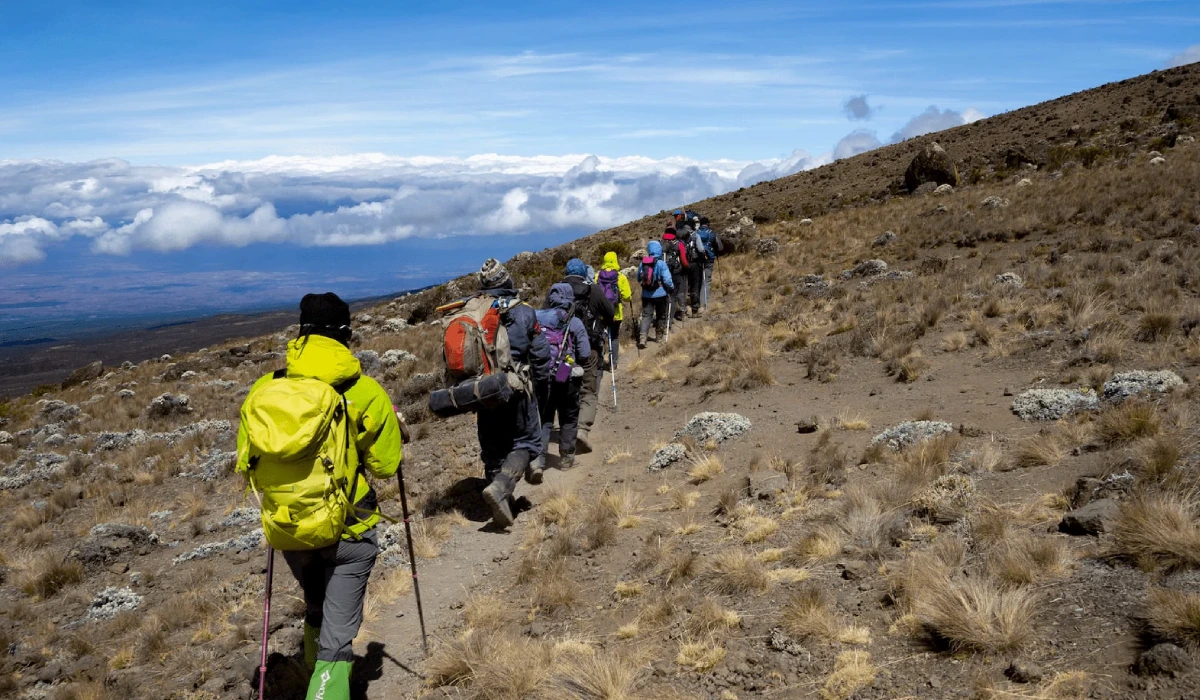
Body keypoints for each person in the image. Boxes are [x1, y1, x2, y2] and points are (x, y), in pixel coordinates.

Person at [236, 292, 402, 700]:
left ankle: (311, 670)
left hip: (290, 526)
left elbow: (246, 463)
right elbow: (385, 466)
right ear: (346, 334)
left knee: (316, 604)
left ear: (300, 333)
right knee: (338, 639)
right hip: (350, 526)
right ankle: (325, 686)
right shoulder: (364, 390)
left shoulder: (266, 388)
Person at [475, 258, 552, 526]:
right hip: (517, 389)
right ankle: (501, 487)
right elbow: (541, 355)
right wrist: (541, 386)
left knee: (493, 448)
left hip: (484, 391)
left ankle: (503, 505)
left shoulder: (473, 313)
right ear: (506, 280)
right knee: (526, 442)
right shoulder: (525, 313)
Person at [547, 258, 613, 455]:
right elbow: (609, 313)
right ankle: (582, 429)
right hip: (590, 348)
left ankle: (563, 429)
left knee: (563, 388)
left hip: (561, 351)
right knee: (588, 390)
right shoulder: (593, 289)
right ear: (584, 272)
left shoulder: (556, 291)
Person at [535, 283, 592, 470]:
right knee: (568, 417)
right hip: (567, 377)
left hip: (542, 377)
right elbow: (584, 352)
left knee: (544, 419)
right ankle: (567, 458)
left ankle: (540, 460)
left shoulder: (536, 318)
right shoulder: (573, 321)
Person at [595, 251, 632, 371]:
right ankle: (613, 364)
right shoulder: (620, 277)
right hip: (615, 313)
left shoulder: (597, 276)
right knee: (614, 338)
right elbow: (627, 297)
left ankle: (599, 362)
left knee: (600, 337)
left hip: (600, 314)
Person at [637, 240, 674, 349]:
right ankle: (659, 337)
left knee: (646, 316)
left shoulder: (643, 263)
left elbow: (638, 278)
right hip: (660, 294)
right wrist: (671, 288)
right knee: (661, 315)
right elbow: (667, 280)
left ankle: (643, 338)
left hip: (646, 294)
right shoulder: (661, 263)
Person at [661, 226, 690, 323]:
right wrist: (686, 267)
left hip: (664, 273)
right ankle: (682, 312)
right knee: (680, 292)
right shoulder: (679, 244)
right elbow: (683, 259)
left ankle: (667, 315)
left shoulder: (660, 244)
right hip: (677, 272)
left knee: (667, 294)